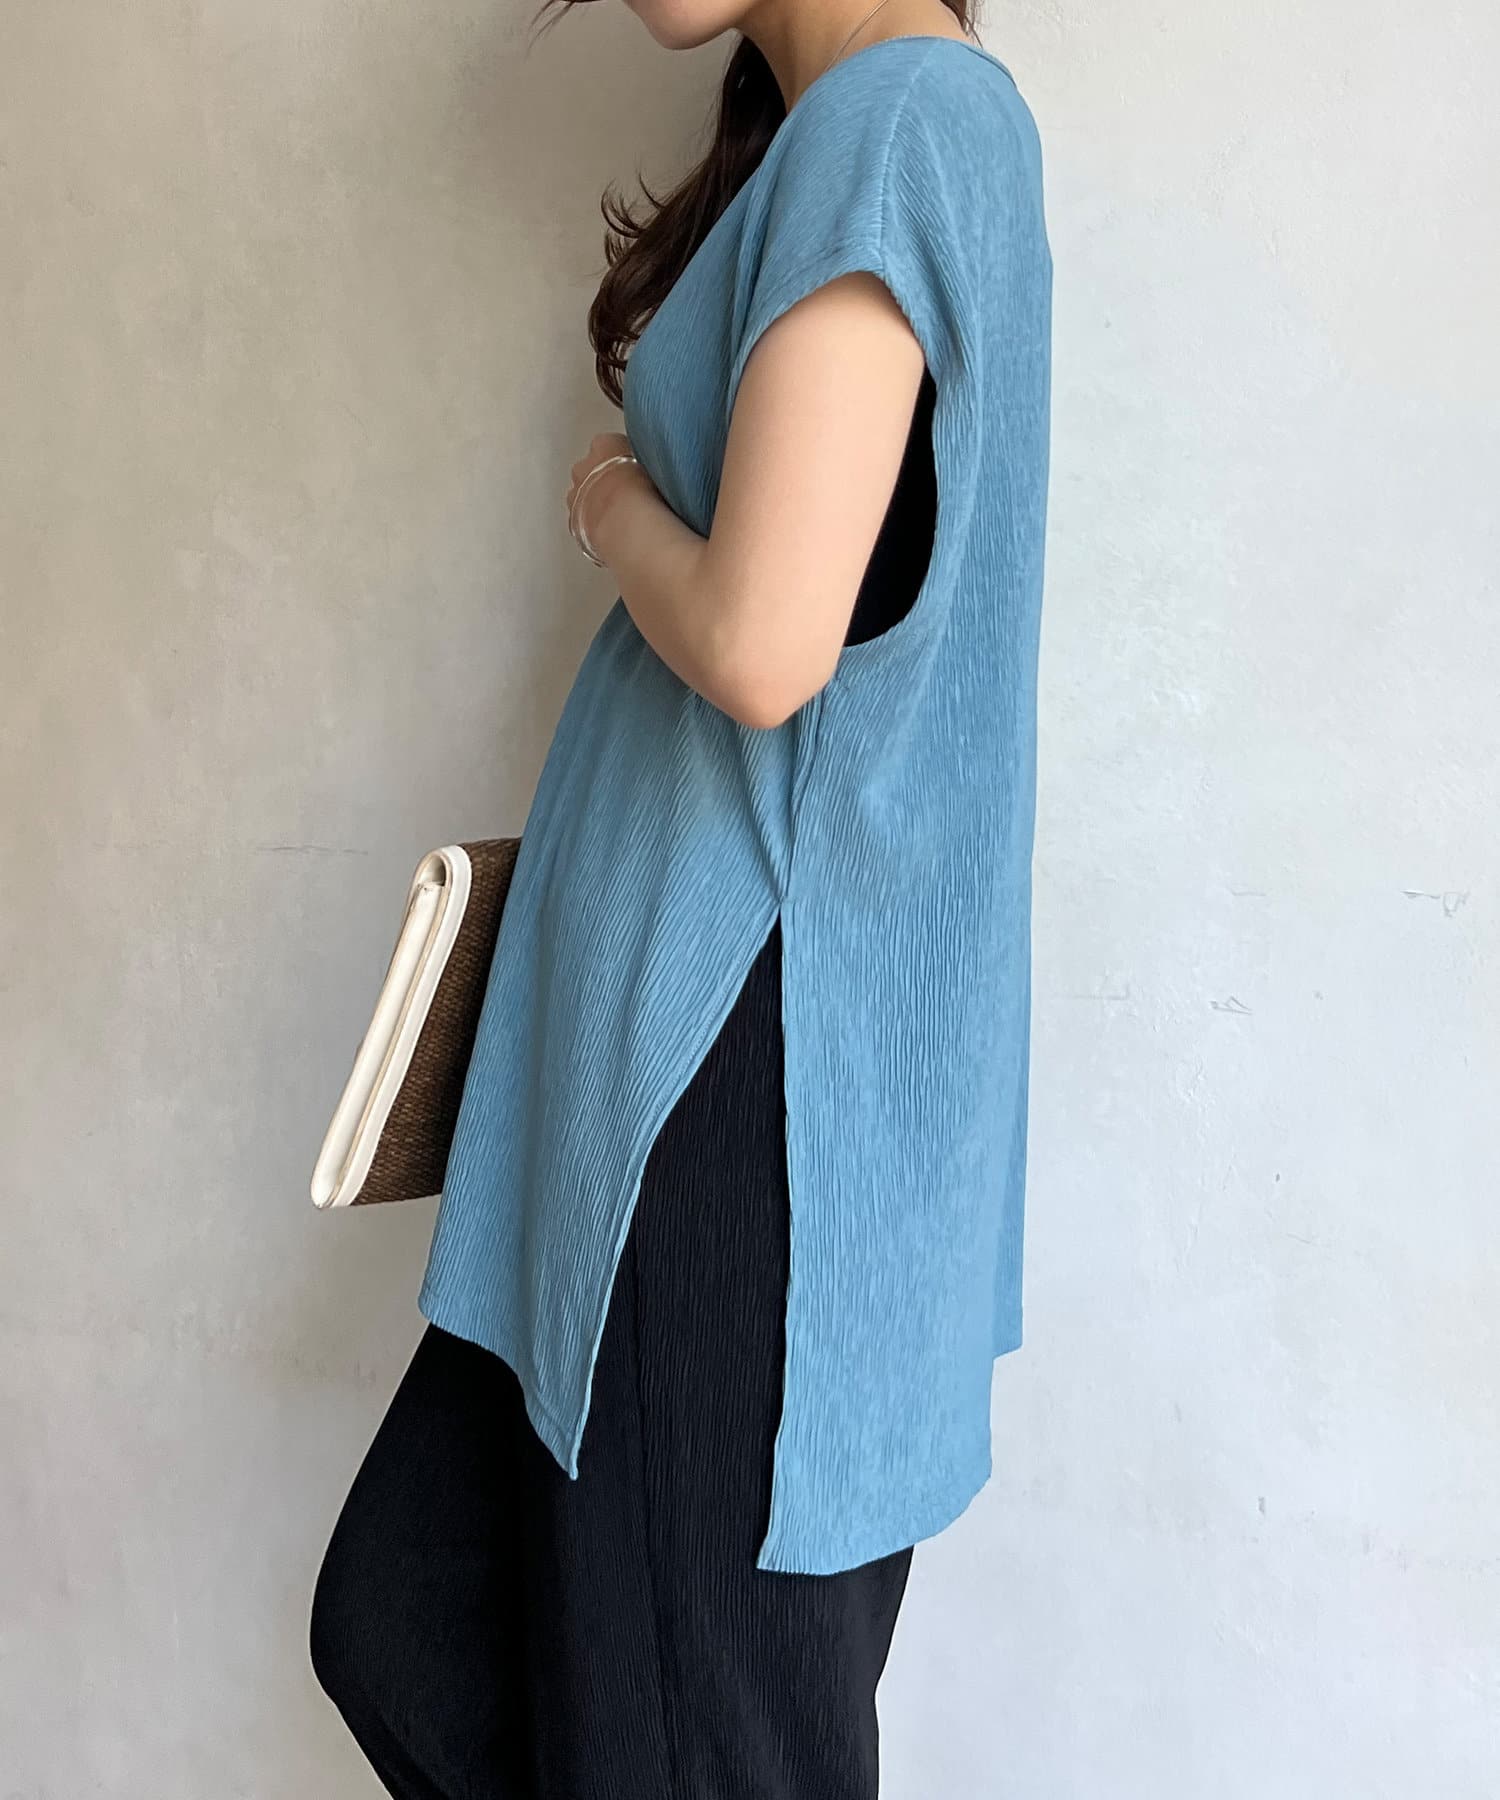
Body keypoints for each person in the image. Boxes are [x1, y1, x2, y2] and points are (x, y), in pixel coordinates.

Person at [309, 0, 1051, 1794]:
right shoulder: (852, 134)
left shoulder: (904, 119)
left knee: (692, 1746)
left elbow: (761, 641)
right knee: (414, 1624)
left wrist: (608, 497)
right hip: (651, 1094)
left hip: (732, 1107)